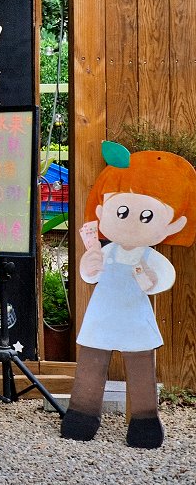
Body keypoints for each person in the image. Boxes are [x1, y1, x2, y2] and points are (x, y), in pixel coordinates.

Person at [61, 141, 196, 449]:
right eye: (121, 211)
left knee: (140, 367)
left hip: (135, 317)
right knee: (92, 363)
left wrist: (144, 277)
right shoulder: (105, 251)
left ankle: (145, 422)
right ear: (101, 211)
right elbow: (88, 275)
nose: (130, 221)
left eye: (146, 216)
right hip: (103, 314)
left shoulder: (150, 256)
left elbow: (158, 282)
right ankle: (81, 416)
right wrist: (90, 262)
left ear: (174, 224)